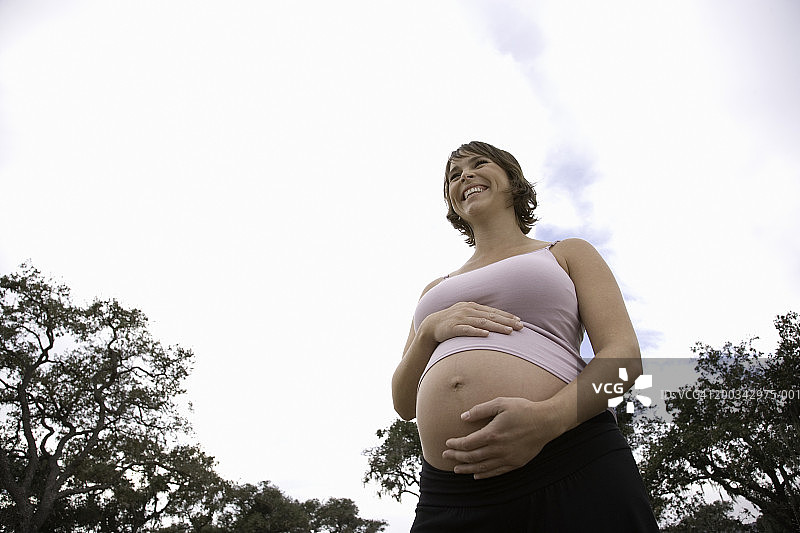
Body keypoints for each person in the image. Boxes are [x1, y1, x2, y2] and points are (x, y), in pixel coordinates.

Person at [392, 141, 659, 532]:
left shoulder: (566, 252)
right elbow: (402, 403)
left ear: (513, 181)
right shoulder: (434, 291)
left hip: (570, 456)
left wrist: (548, 420)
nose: (464, 175)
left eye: (478, 163)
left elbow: (625, 361)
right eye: (453, 175)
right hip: (452, 493)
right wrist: (430, 330)